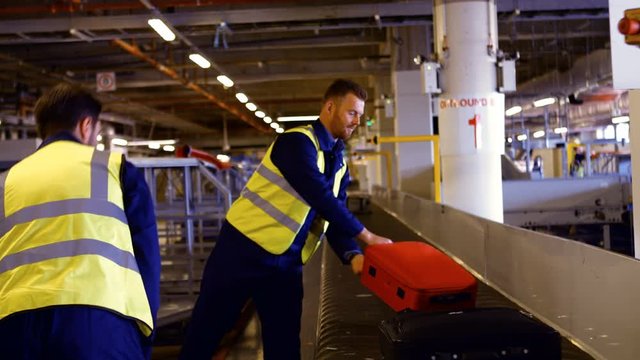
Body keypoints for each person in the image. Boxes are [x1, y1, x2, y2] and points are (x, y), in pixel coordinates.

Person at [180, 79, 393, 360]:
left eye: (360, 115)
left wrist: (352, 253)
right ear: (330, 107)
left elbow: (331, 217)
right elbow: (317, 193)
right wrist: (366, 235)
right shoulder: (295, 142)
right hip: (241, 251)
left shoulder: (340, 165)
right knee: (206, 331)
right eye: (352, 113)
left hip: (284, 264)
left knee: (284, 346)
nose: (357, 121)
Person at [0, 83, 160, 359]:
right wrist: (145, 334)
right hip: (98, 322)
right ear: (86, 126)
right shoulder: (116, 168)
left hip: (16, 326)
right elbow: (146, 259)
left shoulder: (8, 180)